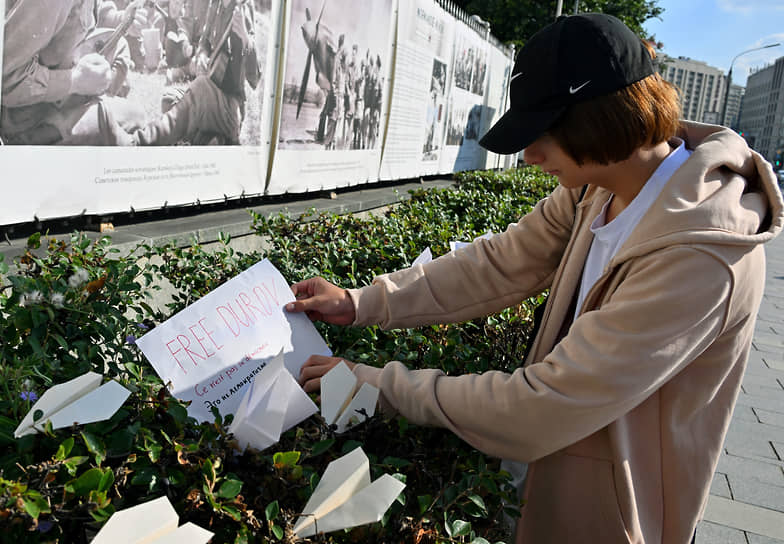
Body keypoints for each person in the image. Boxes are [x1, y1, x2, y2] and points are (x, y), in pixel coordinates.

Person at [286, 13, 784, 544]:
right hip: (543, 482)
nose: (529, 155)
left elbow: (542, 406)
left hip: (611, 520)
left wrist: (379, 384)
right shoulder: (599, 188)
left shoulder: (701, 256)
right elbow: (496, 264)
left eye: (544, 133)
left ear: (602, 119)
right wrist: (360, 303)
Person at [105, 0, 260, 145]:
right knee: (169, 99)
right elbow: (204, 41)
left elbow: (255, 76)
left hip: (230, 107)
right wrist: (202, 55)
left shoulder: (243, 6)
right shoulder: (216, 4)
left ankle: (141, 141)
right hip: (209, 96)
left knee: (199, 86)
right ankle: (209, 139)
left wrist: (245, 38)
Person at [1, 0, 144, 145]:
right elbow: (6, 79)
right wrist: (75, 81)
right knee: (133, 125)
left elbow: (91, 10)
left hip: (64, 101)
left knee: (136, 117)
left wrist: (120, 18)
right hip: (31, 124)